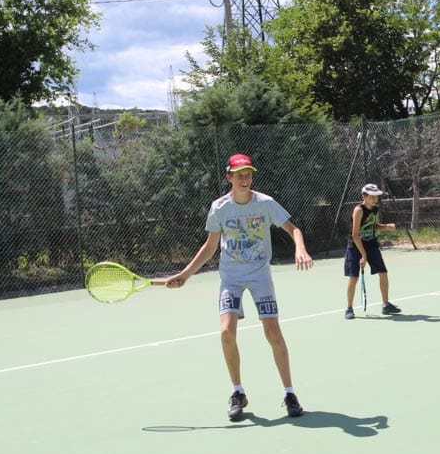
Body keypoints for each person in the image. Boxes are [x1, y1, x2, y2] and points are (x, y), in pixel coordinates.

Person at [164, 153, 313, 421]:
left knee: (272, 331)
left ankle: (290, 393)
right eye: (240, 174)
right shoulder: (220, 207)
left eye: (248, 174)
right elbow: (210, 246)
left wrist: (300, 248)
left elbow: (294, 229)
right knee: (226, 332)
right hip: (231, 277)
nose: (245, 178)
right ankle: (238, 392)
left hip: (259, 275)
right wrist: (185, 275)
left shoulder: (265, 203)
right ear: (229, 177)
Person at [344, 183, 401, 319]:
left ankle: (386, 305)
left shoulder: (375, 209)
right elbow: (355, 235)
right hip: (355, 247)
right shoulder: (359, 210)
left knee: (383, 273)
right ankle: (349, 308)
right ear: (364, 196)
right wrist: (363, 255)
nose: (375, 199)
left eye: (376, 197)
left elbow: (374, 226)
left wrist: (386, 226)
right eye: (372, 197)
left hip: (371, 245)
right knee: (354, 277)